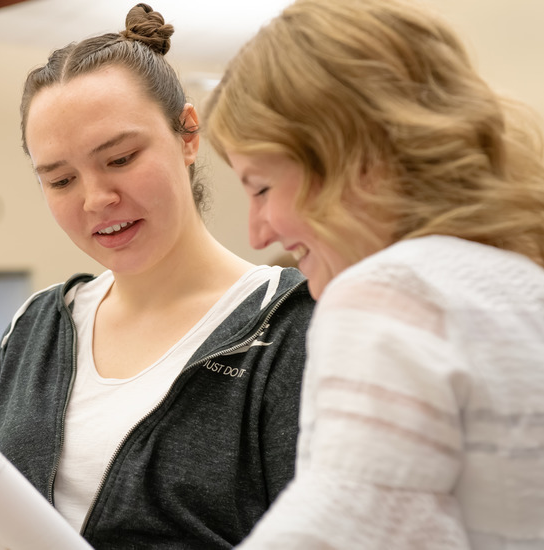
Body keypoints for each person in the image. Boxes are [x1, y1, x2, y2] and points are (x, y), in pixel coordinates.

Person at [0, 4, 315, 549]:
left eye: (120, 159)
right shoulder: (37, 326)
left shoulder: (292, 329)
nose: (96, 200)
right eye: (61, 180)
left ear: (187, 134)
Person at [204, 0, 544, 548]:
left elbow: (349, 524)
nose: (258, 234)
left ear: (356, 158)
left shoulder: (391, 290)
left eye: (262, 187)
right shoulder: (525, 285)